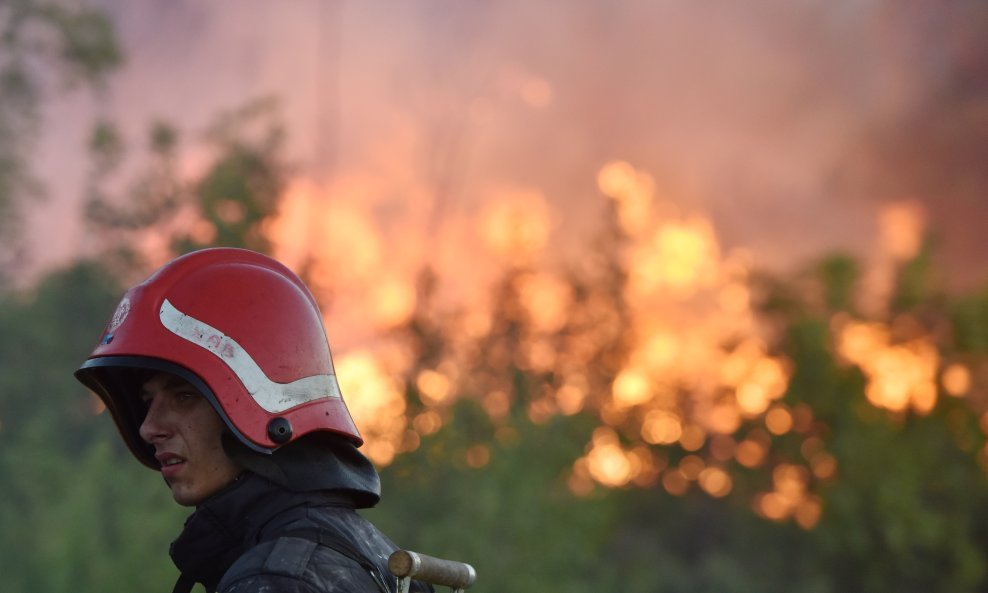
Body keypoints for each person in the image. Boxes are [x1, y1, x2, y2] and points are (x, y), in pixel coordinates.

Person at [75, 247, 432, 593]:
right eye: (147, 402)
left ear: (263, 405)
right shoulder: (368, 554)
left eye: (183, 397)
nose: (148, 428)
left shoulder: (279, 580)